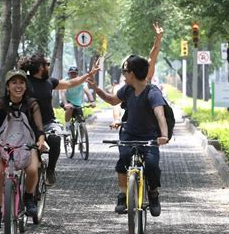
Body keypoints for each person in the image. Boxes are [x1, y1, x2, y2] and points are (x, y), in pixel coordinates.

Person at [87, 23, 166, 216]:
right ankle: (123, 195)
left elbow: (160, 114)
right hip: (129, 133)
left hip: (149, 136)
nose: (123, 75)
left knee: (153, 166)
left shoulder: (151, 91)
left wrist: (163, 135)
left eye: (125, 71)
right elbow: (113, 100)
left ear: (133, 73)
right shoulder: (127, 89)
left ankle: (153, 193)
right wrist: (97, 90)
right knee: (123, 159)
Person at [0, 69, 46, 228]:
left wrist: (40, 140)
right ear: (8, 86)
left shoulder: (32, 104)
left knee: (33, 169)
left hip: (27, 143)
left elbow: (39, 128)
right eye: (14, 82)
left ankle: (28, 199)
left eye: (21, 82)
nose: (18, 86)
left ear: (26, 86)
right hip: (2, 145)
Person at [18, 53, 100, 186]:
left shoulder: (50, 82)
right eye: (47, 65)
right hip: (27, 125)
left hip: (48, 123)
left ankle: (50, 170)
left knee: (55, 138)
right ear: (40, 67)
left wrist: (89, 74)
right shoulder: (24, 82)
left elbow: (70, 83)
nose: (49, 67)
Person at [60, 66, 96, 133]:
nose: (73, 75)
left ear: (77, 74)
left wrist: (92, 101)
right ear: (68, 74)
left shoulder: (81, 82)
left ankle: (82, 139)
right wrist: (65, 104)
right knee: (70, 108)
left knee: (82, 122)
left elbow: (88, 93)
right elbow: (63, 93)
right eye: (71, 73)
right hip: (67, 102)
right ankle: (67, 126)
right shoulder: (65, 81)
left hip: (77, 104)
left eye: (74, 73)